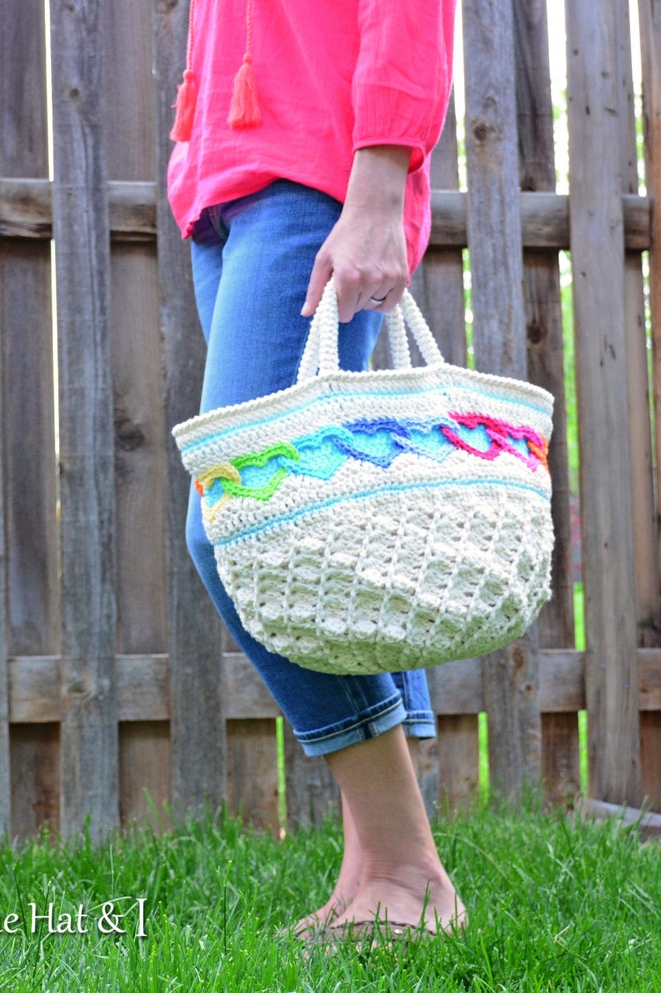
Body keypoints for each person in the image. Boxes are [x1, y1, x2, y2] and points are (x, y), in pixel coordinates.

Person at [167, 0, 465, 941]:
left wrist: (380, 184)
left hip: (317, 177)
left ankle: (411, 870)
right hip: (229, 184)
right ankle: (373, 871)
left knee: (245, 521)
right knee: (333, 522)